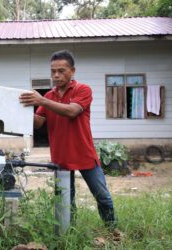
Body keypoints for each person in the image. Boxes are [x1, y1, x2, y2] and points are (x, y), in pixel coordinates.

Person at [19, 50, 118, 229]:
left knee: (102, 195)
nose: (56, 75)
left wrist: (42, 101)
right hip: (61, 157)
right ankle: (68, 233)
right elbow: (38, 123)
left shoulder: (83, 90)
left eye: (61, 70)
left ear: (72, 71)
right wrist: (19, 110)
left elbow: (72, 111)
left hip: (84, 153)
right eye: (53, 71)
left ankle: (113, 230)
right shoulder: (49, 96)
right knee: (66, 200)